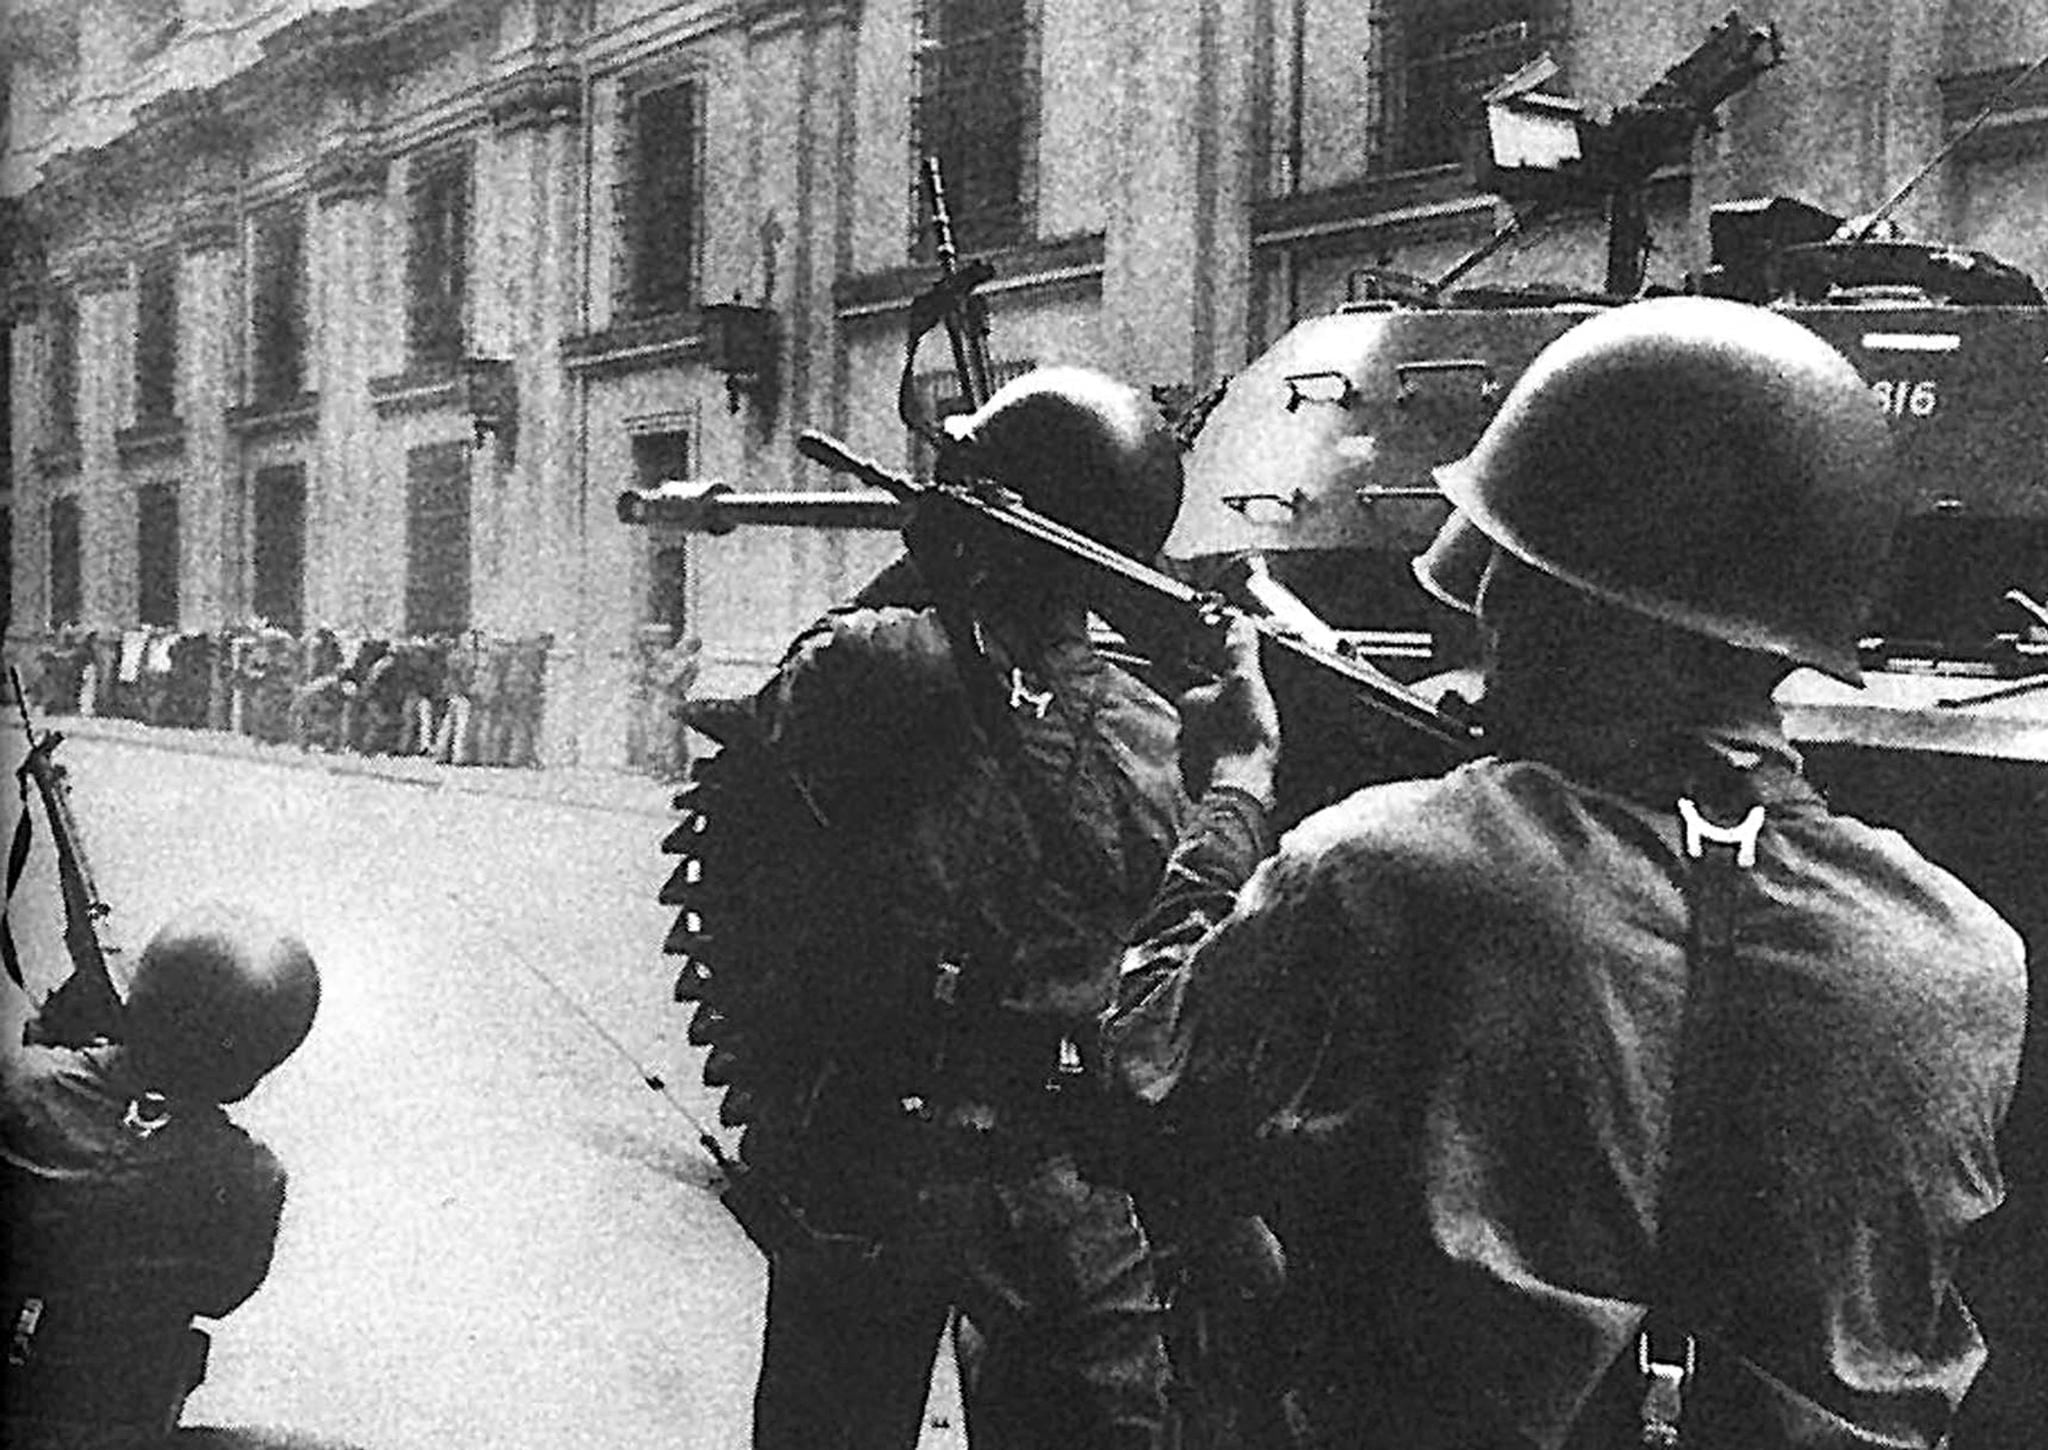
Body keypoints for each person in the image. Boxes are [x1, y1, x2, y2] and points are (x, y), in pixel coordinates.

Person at [1107, 298, 2028, 1450]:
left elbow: (1140, 1085)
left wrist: (1234, 786)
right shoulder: (1971, 959)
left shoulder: (1378, 870)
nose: (1485, 607)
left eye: (1508, 569)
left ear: (1554, 603)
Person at [705, 367, 1191, 1450]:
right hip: (1059, 1173)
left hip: (876, 1153)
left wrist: (931, 557)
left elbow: (773, 716)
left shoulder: (879, 660)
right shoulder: (1156, 734)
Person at [3, 902, 321, 1447]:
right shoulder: (250, 1176)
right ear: (250, 1075)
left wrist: (58, 1048)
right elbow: (221, 1292)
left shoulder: (17, 1086)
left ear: (135, 1002)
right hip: (115, 1427)